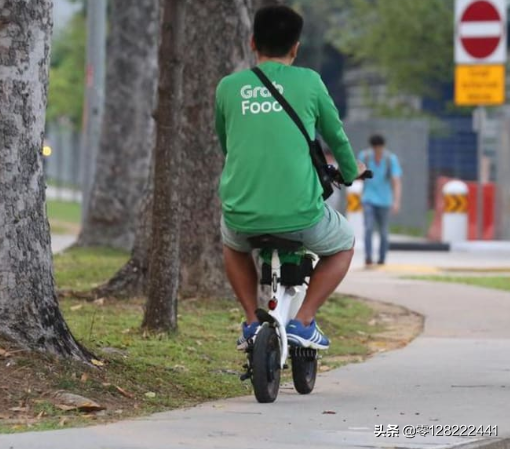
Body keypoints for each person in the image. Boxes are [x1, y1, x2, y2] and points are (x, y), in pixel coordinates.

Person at [215, 5, 365, 351]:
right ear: (296, 47)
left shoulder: (228, 88)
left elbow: (227, 143)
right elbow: (336, 137)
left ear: (252, 42)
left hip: (242, 212)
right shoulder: (310, 82)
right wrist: (350, 168)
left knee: (233, 243)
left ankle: (252, 323)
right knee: (344, 244)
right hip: (301, 215)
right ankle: (305, 320)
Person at [359, 134, 402, 266]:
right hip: (368, 198)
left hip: (384, 200)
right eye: (375, 148)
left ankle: (382, 258)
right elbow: (357, 174)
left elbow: (396, 181)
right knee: (369, 228)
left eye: (380, 148)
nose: (378, 150)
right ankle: (368, 256)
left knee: (383, 231)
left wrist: (396, 201)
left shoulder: (390, 159)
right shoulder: (365, 157)